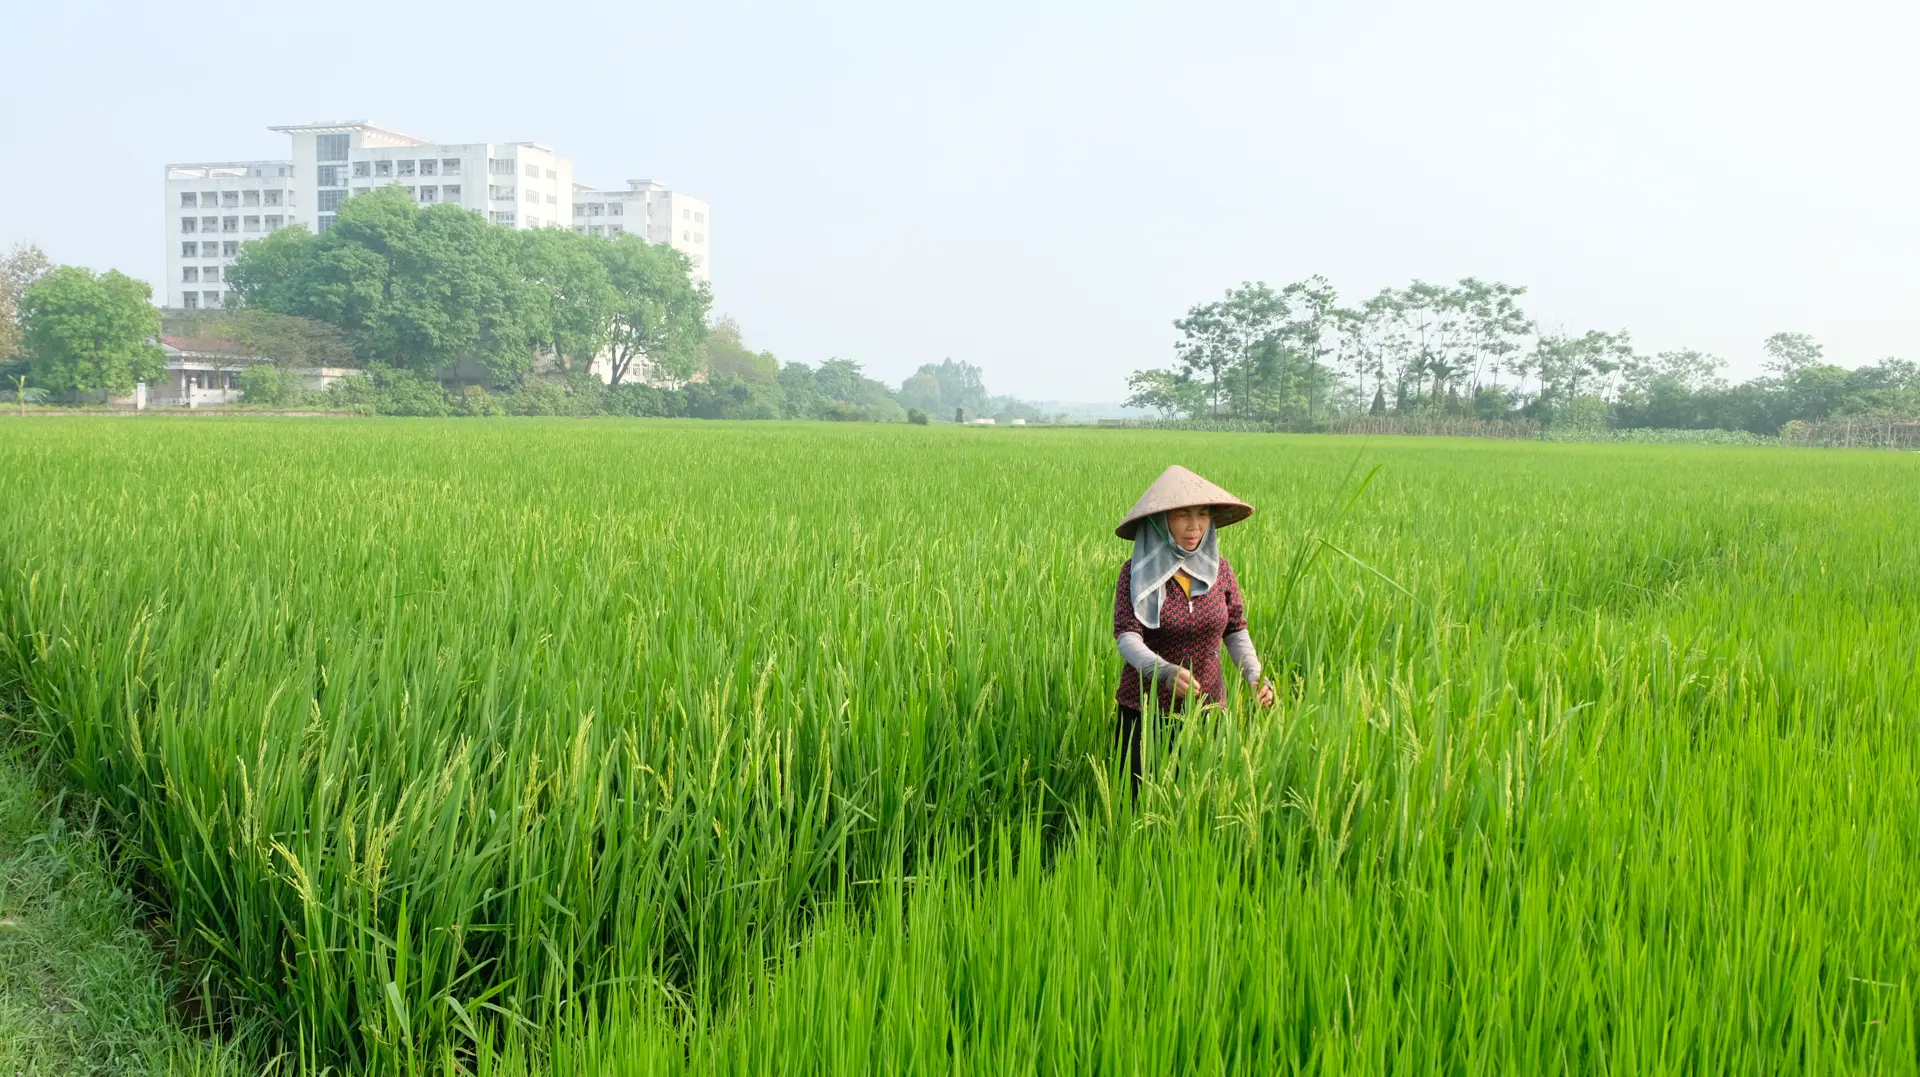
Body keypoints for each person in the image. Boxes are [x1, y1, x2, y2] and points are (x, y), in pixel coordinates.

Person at [1112, 464, 1274, 791]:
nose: (1194, 526)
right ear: (1160, 522)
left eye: (1202, 514)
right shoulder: (1135, 572)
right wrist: (1165, 672)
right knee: (1138, 805)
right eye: (1182, 515)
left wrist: (1255, 676)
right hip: (1145, 711)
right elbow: (1127, 636)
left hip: (1207, 710)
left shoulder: (1220, 571)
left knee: (1197, 803)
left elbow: (1235, 630)